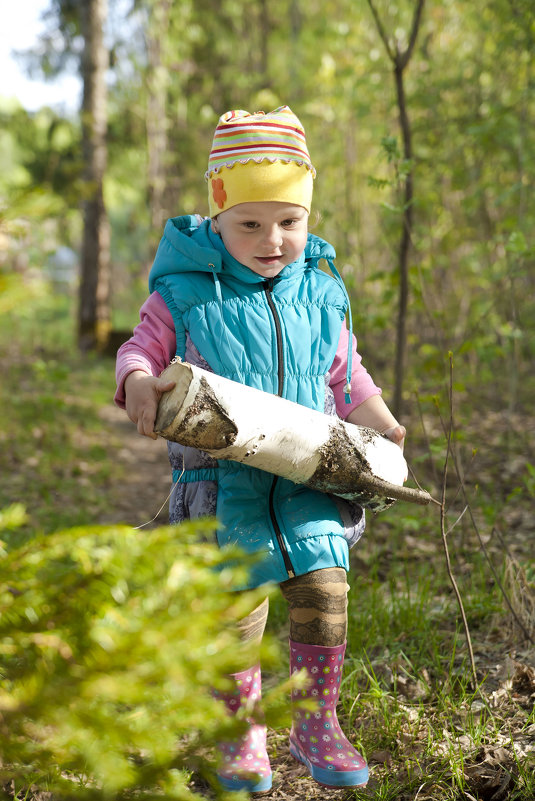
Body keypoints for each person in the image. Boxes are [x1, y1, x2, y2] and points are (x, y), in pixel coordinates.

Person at [115, 106, 406, 794]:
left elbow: (346, 375)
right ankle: (240, 728)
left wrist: (382, 424)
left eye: (289, 221)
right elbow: (140, 347)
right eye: (249, 223)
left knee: (324, 595)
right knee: (235, 611)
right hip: (222, 489)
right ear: (217, 211)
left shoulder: (322, 292)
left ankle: (315, 719)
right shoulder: (184, 292)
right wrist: (135, 381)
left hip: (308, 480)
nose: (272, 239)